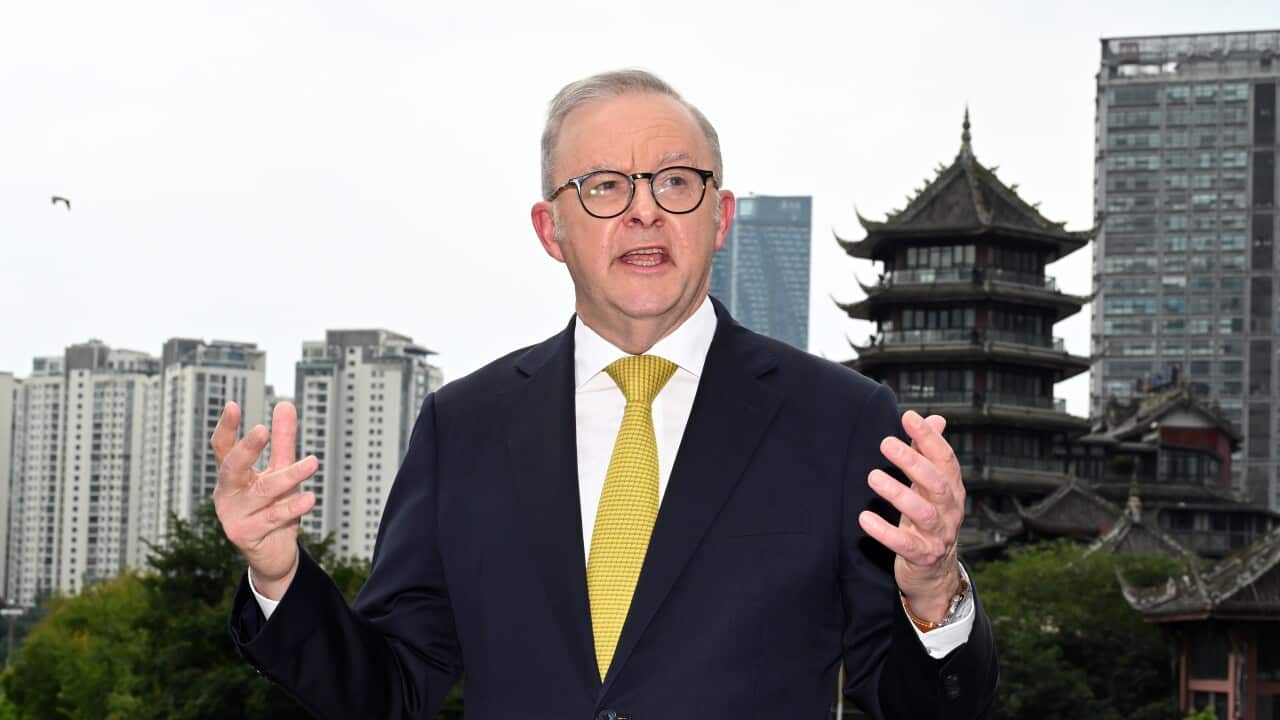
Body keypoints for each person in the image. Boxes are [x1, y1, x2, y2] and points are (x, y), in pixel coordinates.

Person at [213, 69, 997, 719]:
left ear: (720, 216)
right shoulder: (465, 427)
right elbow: (387, 691)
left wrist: (932, 594)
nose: (645, 209)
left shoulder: (841, 420)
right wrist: (279, 577)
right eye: (603, 187)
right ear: (549, 229)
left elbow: (916, 708)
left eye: (676, 182)